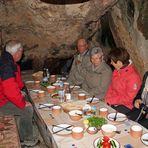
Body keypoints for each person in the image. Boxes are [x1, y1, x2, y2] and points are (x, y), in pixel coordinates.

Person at [0, 40, 39, 146]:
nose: (22, 56)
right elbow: (9, 90)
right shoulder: (6, 65)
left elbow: (13, 84)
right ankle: (26, 139)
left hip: (3, 97)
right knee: (27, 108)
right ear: (18, 52)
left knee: (25, 97)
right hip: (1, 103)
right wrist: (21, 103)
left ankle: (27, 124)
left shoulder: (6, 60)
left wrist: (20, 92)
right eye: (22, 53)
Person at [105, 47, 142, 114]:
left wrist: (110, 100)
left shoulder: (133, 77)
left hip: (128, 106)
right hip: (115, 102)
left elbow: (129, 99)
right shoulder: (117, 71)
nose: (111, 63)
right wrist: (107, 99)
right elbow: (111, 87)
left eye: (112, 61)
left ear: (119, 62)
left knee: (110, 115)